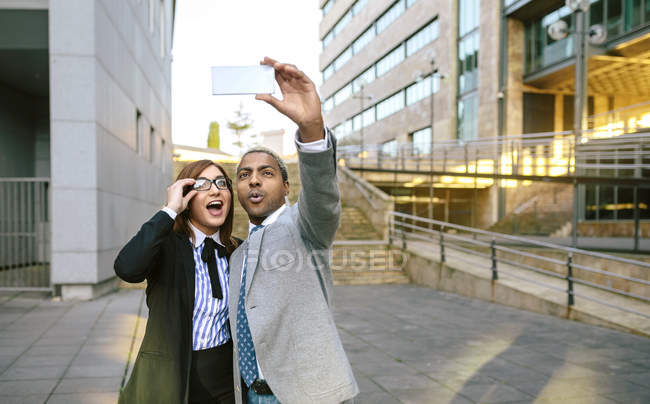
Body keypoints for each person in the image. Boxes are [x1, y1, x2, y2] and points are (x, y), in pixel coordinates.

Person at [228, 56, 358, 404]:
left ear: (287, 187)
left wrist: (313, 131)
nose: (253, 179)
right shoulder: (237, 254)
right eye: (244, 175)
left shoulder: (305, 226)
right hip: (249, 396)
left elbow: (323, 195)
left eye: (266, 173)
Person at [114, 160, 241, 404]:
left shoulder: (238, 250)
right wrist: (170, 210)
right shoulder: (167, 246)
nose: (215, 190)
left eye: (221, 183)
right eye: (202, 185)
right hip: (171, 381)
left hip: (227, 383)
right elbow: (127, 269)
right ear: (186, 197)